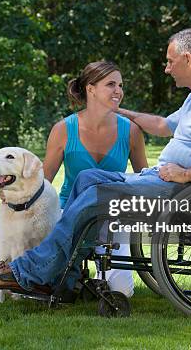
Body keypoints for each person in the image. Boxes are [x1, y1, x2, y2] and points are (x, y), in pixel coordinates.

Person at [0, 28, 191, 296]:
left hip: (184, 192)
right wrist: (117, 108)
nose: (167, 68)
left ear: (188, 59)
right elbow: (163, 125)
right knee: (87, 177)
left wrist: (187, 174)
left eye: (170, 61)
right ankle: (65, 275)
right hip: (162, 181)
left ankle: (27, 272)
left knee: (95, 194)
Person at [43, 60, 147, 297]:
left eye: (120, 85)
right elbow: (45, 180)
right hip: (70, 213)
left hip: (112, 218)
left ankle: (83, 275)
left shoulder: (131, 131)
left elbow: (143, 180)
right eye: (111, 84)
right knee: (52, 286)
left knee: (122, 292)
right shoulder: (63, 129)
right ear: (90, 89)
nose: (118, 91)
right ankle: (75, 274)